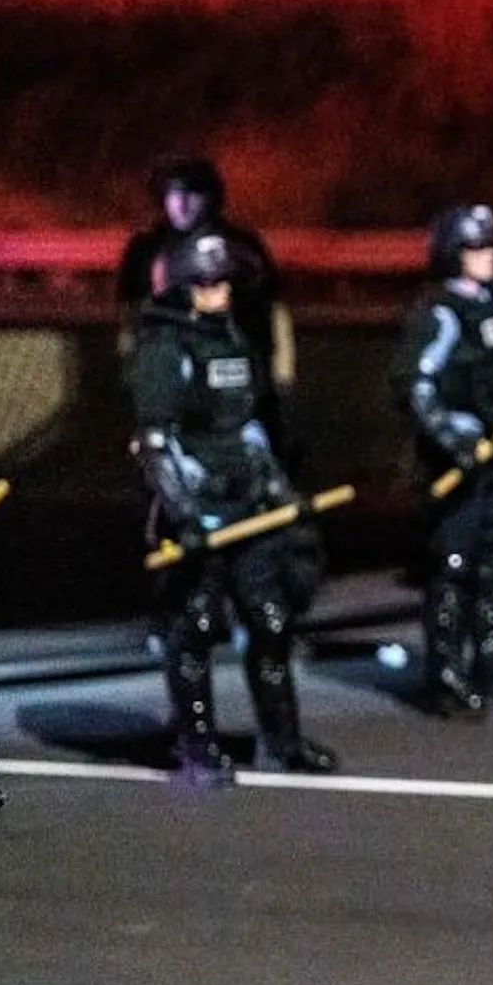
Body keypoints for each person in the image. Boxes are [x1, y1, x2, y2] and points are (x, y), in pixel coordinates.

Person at [127, 232, 337, 784]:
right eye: (204, 281)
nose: (217, 290)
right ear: (179, 287)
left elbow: (247, 427)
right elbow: (155, 442)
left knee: (269, 622)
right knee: (194, 627)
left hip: (247, 504)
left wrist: (277, 488)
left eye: (222, 280)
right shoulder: (164, 351)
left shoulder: (233, 340)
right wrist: (187, 513)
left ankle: (282, 740)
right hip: (196, 509)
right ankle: (196, 746)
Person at [394, 204, 493, 719]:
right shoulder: (441, 313)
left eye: (490, 246)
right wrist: (451, 438)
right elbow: (415, 384)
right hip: (463, 461)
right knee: (456, 564)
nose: (487, 256)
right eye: (474, 248)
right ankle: (445, 670)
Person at [117, 156, 294, 461]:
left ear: (212, 197)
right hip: (174, 374)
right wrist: (131, 362)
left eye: (192, 194)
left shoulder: (240, 245)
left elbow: (274, 306)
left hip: (239, 369)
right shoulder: (147, 247)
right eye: (173, 195)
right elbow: (129, 314)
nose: (182, 204)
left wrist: (284, 365)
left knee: (258, 448)